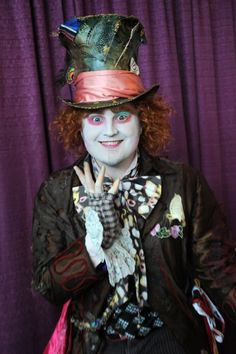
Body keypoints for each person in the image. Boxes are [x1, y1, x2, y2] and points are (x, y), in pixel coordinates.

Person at [32, 14, 236, 354]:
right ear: (79, 126)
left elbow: (218, 268)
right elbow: (48, 286)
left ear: (144, 121)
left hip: (169, 338)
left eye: (123, 115)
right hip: (95, 344)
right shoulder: (55, 192)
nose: (110, 131)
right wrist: (94, 248)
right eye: (96, 118)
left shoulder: (183, 183)